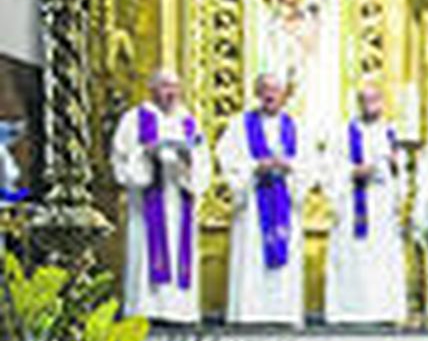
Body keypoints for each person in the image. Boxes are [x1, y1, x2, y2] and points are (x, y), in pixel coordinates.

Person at [111, 70, 209, 324]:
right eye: (164, 86)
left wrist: (189, 161)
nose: (171, 92)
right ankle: (145, 309)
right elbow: (121, 158)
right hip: (148, 202)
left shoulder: (188, 121)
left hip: (179, 199)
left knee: (179, 250)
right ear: (151, 88)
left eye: (175, 87)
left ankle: (180, 311)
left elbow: (202, 160)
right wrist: (145, 155)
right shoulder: (134, 120)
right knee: (145, 252)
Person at [219, 72, 306, 326]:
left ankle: (283, 314)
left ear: (284, 95)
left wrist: (290, 167)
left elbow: (311, 164)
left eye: (275, 90)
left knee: (285, 261)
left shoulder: (297, 127)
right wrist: (255, 168)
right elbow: (228, 160)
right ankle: (250, 313)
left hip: (284, 201)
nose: (270, 95)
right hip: (254, 205)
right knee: (252, 257)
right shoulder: (239, 125)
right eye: (265, 90)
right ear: (257, 93)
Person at [325, 82, 406, 325]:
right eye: (365, 100)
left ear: (382, 103)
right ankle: (349, 311)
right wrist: (351, 172)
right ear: (358, 103)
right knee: (353, 258)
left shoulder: (392, 134)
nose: (371, 105)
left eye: (375, 100)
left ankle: (384, 310)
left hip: (381, 209)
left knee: (381, 260)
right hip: (353, 204)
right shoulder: (342, 134)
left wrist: (395, 167)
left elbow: (402, 177)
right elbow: (329, 168)